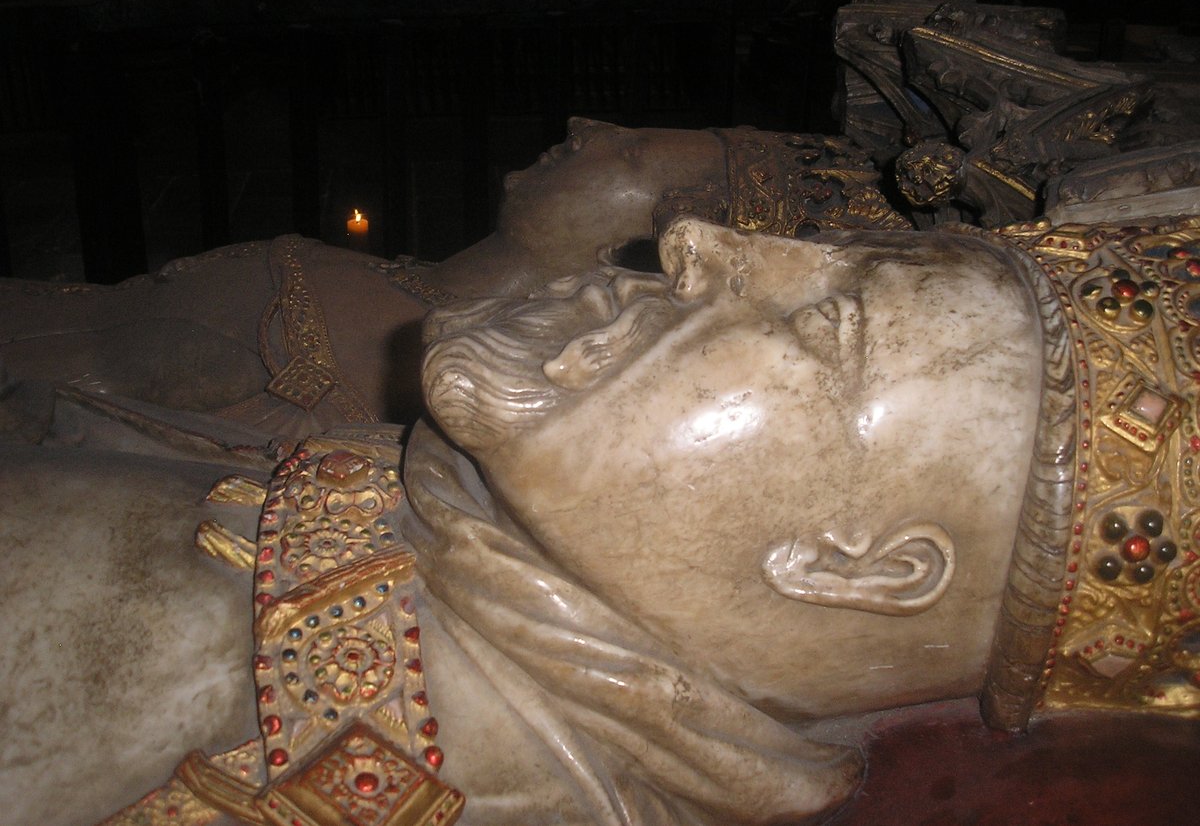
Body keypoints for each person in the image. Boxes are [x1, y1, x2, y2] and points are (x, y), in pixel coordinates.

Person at [5, 216, 1055, 826]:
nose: (697, 239)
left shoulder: (275, 702)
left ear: (851, 566)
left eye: (825, 320)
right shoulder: (441, 557)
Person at [0, 121, 907, 432]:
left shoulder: (388, 378)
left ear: (657, 248)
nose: (586, 128)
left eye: (626, 147)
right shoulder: (395, 295)